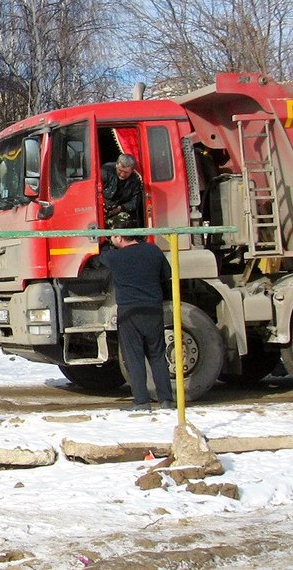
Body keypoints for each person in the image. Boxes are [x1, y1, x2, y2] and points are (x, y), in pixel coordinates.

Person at [98, 217, 175, 412]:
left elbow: (101, 256)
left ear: (120, 238)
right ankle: (166, 400)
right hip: (153, 309)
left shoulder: (114, 257)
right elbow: (167, 274)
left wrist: (104, 241)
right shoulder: (153, 250)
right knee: (158, 356)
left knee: (134, 358)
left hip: (129, 312)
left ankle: (141, 401)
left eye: (113, 235)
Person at [101, 153, 143, 225]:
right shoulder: (105, 171)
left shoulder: (136, 179)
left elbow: (136, 201)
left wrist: (120, 208)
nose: (122, 174)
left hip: (122, 210)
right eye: (120, 170)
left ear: (132, 170)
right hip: (103, 207)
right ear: (116, 165)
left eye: (126, 172)